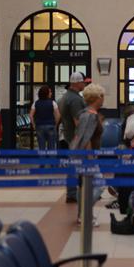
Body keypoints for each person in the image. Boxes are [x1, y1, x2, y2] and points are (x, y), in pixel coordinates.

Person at [70, 83, 106, 225]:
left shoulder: (85, 113)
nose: (103, 99)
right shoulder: (90, 115)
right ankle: (85, 213)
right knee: (100, 184)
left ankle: (82, 215)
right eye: (102, 96)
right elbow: (86, 138)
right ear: (97, 97)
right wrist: (90, 159)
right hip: (86, 157)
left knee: (83, 186)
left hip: (80, 156)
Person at [58, 72, 86, 202]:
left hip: (69, 135)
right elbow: (78, 121)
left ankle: (73, 192)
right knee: (75, 166)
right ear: (77, 83)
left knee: (73, 166)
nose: (84, 84)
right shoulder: (75, 99)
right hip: (76, 137)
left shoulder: (65, 97)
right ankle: (73, 193)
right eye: (83, 82)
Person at [29, 85, 60, 151]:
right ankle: (51, 161)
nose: (51, 93)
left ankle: (42, 160)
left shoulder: (36, 103)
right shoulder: (53, 103)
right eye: (50, 92)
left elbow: (31, 115)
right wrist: (55, 124)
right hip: (51, 126)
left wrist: (34, 125)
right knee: (52, 148)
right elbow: (58, 115)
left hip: (39, 126)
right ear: (46, 94)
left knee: (41, 148)